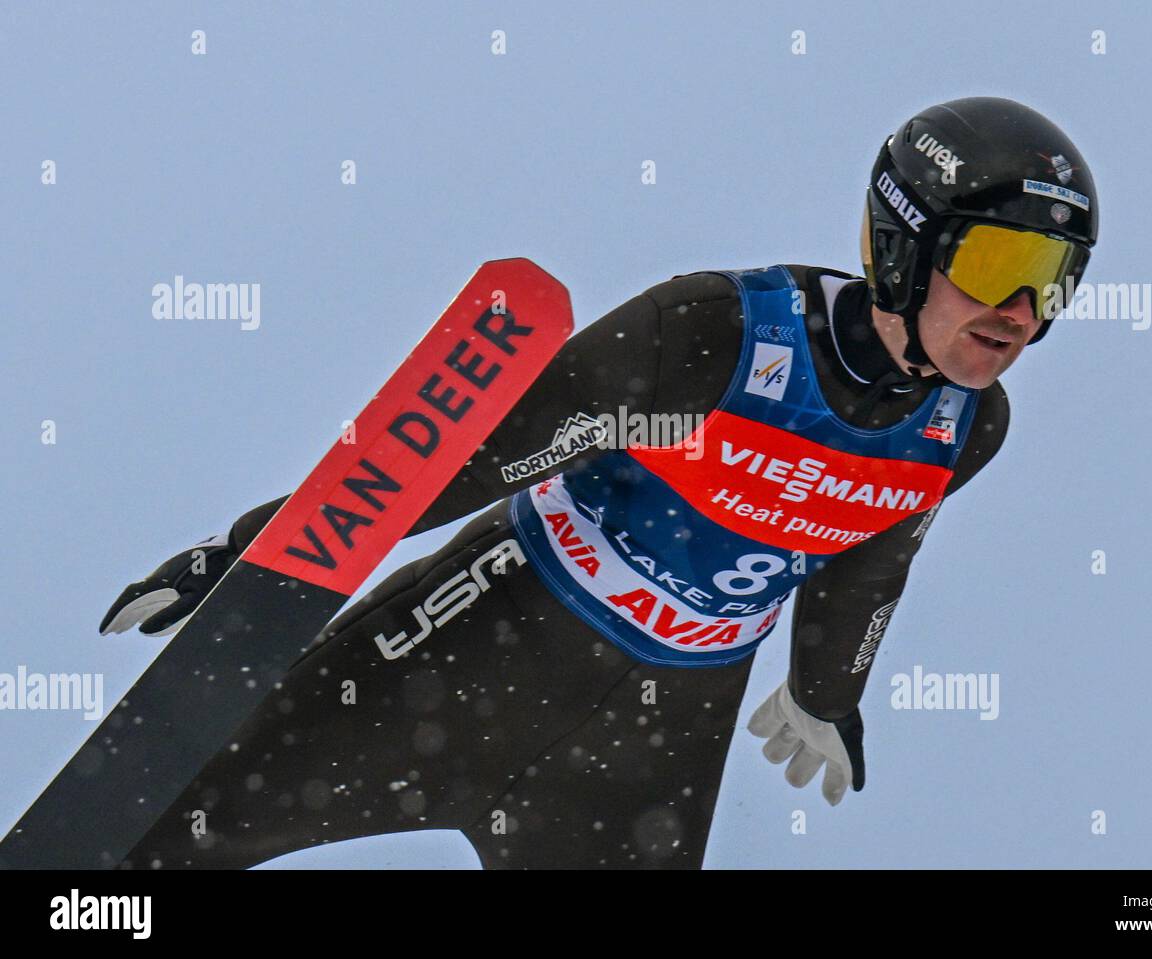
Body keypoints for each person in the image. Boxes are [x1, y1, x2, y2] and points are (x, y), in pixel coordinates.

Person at [99, 96, 1098, 869]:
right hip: (471, 653)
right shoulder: (716, 332)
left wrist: (825, 691)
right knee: (170, 842)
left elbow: (866, 553)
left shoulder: (965, 429)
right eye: (999, 260)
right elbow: (469, 453)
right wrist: (260, 554)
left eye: (1053, 276)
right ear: (908, 241)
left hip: (648, 755)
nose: (1020, 307)